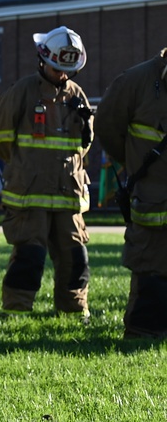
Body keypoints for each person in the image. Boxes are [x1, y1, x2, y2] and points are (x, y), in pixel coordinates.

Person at [0, 26, 93, 321]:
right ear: (43, 60)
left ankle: (74, 310)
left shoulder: (77, 95)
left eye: (67, 70)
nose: (63, 75)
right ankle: (17, 310)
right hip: (28, 195)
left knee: (75, 256)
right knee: (29, 256)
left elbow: (85, 143)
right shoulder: (22, 91)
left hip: (68, 195)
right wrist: (26, 167)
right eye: (58, 68)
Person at [93, 50, 167, 338]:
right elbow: (108, 128)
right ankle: (143, 333)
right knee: (150, 270)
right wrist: (135, 164)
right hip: (152, 202)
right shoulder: (135, 82)